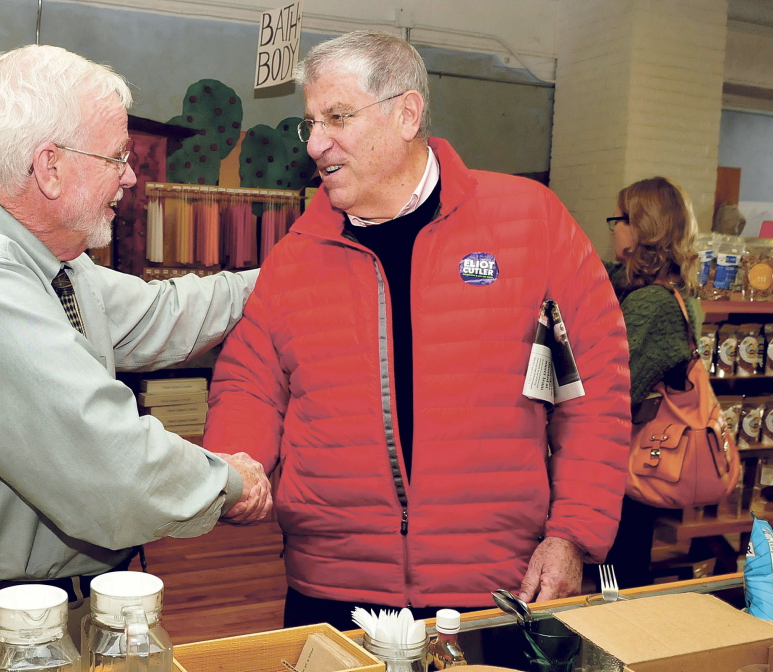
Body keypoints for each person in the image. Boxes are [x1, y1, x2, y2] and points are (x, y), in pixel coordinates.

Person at [0, 44, 271, 672]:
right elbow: (103, 462)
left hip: (48, 617)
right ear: (49, 167)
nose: (129, 178)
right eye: (117, 159)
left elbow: (167, 313)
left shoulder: (53, 267)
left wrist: (294, 271)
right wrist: (226, 482)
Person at [202, 30, 631, 631]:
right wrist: (236, 468)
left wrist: (573, 535)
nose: (316, 143)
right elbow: (250, 382)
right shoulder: (297, 252)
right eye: (311, 123)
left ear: (407, 113)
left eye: (338, 117)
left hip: (496, 590)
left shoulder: (530, 223)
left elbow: (595, 392)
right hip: (333, 589)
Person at [601, 176, 703, 589]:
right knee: (628, 558)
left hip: (631, 455)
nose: (613, 228)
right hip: (651, 453)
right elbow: (606, 274)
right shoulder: (675, 291)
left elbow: (615, 387)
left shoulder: (651, 303)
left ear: (645, 228)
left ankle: (617, 646)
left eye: (621, 219)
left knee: (619, 569)